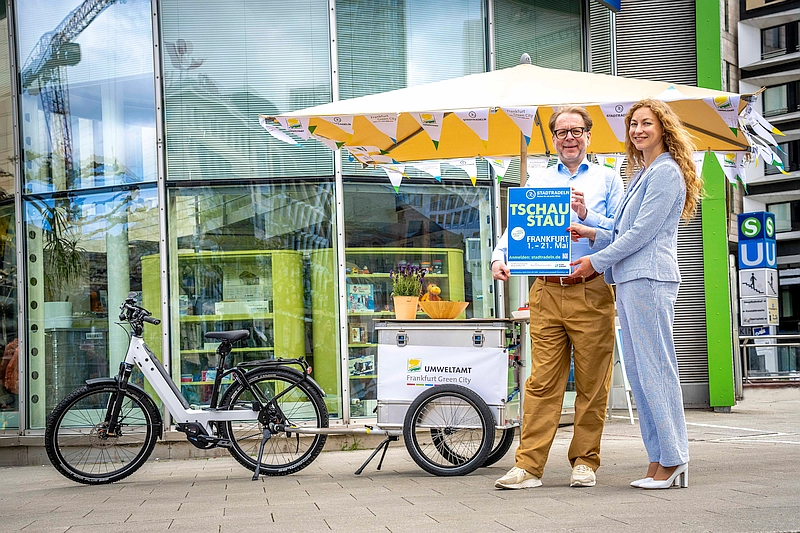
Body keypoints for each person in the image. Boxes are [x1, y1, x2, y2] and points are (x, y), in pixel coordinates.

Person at [568, 98, 703, 490]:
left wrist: (595, 262)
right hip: (631, 279)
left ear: (664, 128)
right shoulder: (644, 172)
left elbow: (642, 233)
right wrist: (590, 227)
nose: (638, 130)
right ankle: (659, 457)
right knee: (642, 375)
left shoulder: (666, 171)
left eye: (646, 123)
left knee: (656, 370)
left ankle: (674, 458)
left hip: (649, 279)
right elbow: (623, 228)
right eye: (633, 125)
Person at [492, 106, 624, 489]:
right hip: (546, 290)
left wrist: (587, 218)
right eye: (562, 132)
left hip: (592, 289)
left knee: (592, 383)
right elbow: (518, 228)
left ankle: (584, 462)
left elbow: (623, 233)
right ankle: (528, 467)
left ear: (588, 136)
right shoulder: (538, 179)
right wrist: (500, 256)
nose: (569, 138)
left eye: (576, 130)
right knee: (541, 382)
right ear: (553, 139)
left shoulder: (608, 179)